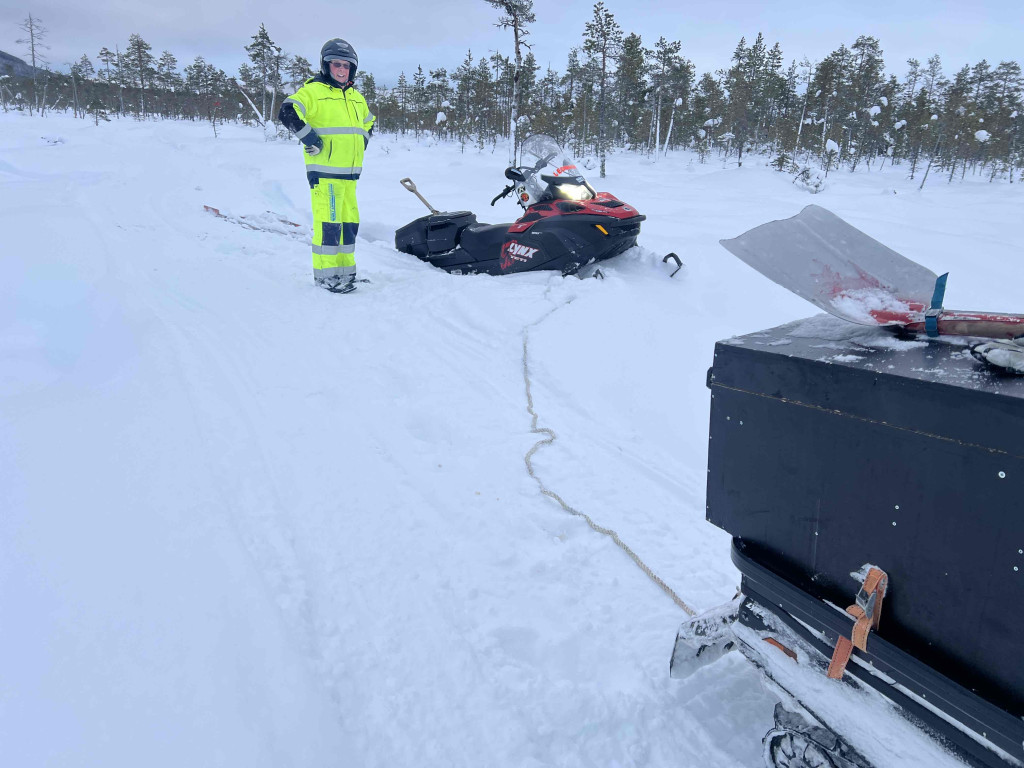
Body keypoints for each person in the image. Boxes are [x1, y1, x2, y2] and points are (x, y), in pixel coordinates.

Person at [279, 38, 376, 293]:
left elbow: (369, 122)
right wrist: (309, 137)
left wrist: (362, 141)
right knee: (329, 228)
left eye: (346, 65)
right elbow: (288, 111)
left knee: (348, 228)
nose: (341, 70)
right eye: (336, 65)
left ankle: (346, 274)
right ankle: (326, 277)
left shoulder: (355, 97)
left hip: (350, 176)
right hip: (325, 175)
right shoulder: (314, 91)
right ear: (326, 66)